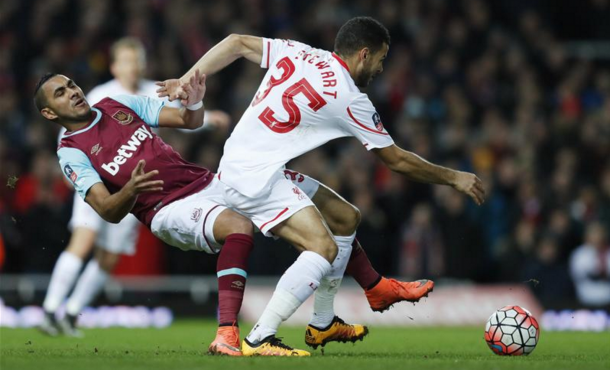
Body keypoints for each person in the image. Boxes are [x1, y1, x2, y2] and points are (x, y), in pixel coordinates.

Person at [33, 71, 424, 357]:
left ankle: (372, 285)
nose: (73, 93)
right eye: (61, 94)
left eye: (71, 85)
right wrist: (132, 190)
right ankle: (227, 334)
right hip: (167, 209)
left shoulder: (115, 105)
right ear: (51, 114)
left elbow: (189, 121)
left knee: (328, 208)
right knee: (238, 227)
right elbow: (105, 208)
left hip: (208, 182)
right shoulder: (71, 152)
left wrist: (195, 102)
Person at [158, 16, 485, 356]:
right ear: (363, 54)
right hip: (256, 179)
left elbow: (236, 41)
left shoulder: (301, 53)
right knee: (323, 248)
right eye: (381, 59)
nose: (381, 68)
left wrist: (185, 79)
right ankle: (261, 337)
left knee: (345, 217)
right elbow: (397, 161)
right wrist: (453, 177)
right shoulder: (349, 97)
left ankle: (323, 323)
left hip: (244, 163)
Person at [38, 38, 230, 338]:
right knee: (84, 241)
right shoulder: (100, 95)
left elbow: (178, 115)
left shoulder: (145, 90)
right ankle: (50, 310)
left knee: (109, 256)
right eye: (127, 61)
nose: (134, 66)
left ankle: (72, 312)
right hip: (99, 181)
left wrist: (204, 114)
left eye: (138, 59)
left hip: (143, 184)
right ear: (115, 66)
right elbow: (70, 140)